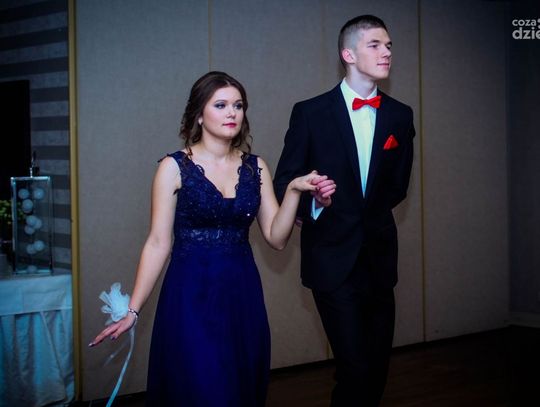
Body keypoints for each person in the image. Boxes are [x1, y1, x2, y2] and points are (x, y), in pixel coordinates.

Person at [89, 71, 336, 406]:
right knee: (202, 388)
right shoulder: (173, 167)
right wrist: (133, 310)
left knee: (239, 387)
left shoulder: (256, 168)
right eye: (220, 105)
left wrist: (293, 190)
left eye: (238, 105)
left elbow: (277, 238)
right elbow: (158, 243)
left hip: (242, 296)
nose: (232, 112)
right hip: (189, 297)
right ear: (199, 115)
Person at [274, 15, 415, 406]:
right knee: (354, 369)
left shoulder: (400, 115)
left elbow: (398, 185)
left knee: (377, 369)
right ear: (348, 54)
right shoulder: (310, 112)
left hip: (379, 260)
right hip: (331, 259)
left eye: (389, 45)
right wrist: (316, 203)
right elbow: (285, 180)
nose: (386, 52)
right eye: (375, 45)